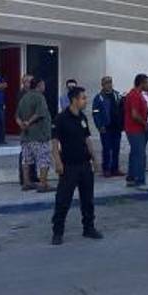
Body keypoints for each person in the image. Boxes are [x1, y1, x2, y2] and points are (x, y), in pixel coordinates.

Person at [51, 86, 104, 245]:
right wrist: (58, 162)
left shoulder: (82, 117)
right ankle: (58, 232)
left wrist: (95, 159)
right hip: (69, 166)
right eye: (83, 98)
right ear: (74, 100)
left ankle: (89, 228)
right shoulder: (60, 118)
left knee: (88, 199)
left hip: (84, 164)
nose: (85, 101)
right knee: (63, 200)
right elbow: (54, 143)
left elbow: (87, 139)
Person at [16, 76, 53, 192]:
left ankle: (26, 182)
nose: (44, 87)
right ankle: (43, 183)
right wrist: (28, 122)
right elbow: (39, 113)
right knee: (43, 158)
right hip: (39, 134)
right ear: (39, 85)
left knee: (27, 159)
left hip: (26, 135)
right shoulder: (39, 97)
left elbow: (17, 115)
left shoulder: (24, 97)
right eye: (43, 84)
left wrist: (22, 124)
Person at [123, 74, 148, 189]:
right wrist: (145, 123)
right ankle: (140, 181)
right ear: (142, 83)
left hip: (134, 128)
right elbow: (134, 114)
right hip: (136, 129)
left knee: (134, 154)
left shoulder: (137, 94)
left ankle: (131, 178)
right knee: (140, 155)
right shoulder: (135, 95)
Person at [91, 77, 124, 178]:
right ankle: (106, 169)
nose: (108, 84)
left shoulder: (117, 95)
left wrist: (122, 124)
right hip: (106, 127)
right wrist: (99, 125)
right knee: (106, 148)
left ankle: (115, 169)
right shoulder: (99, 97)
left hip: (117, 126)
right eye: (106, 83)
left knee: (116, 148)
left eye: (110, 82)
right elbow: (95, 113)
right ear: (102, 84)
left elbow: (123, 110)